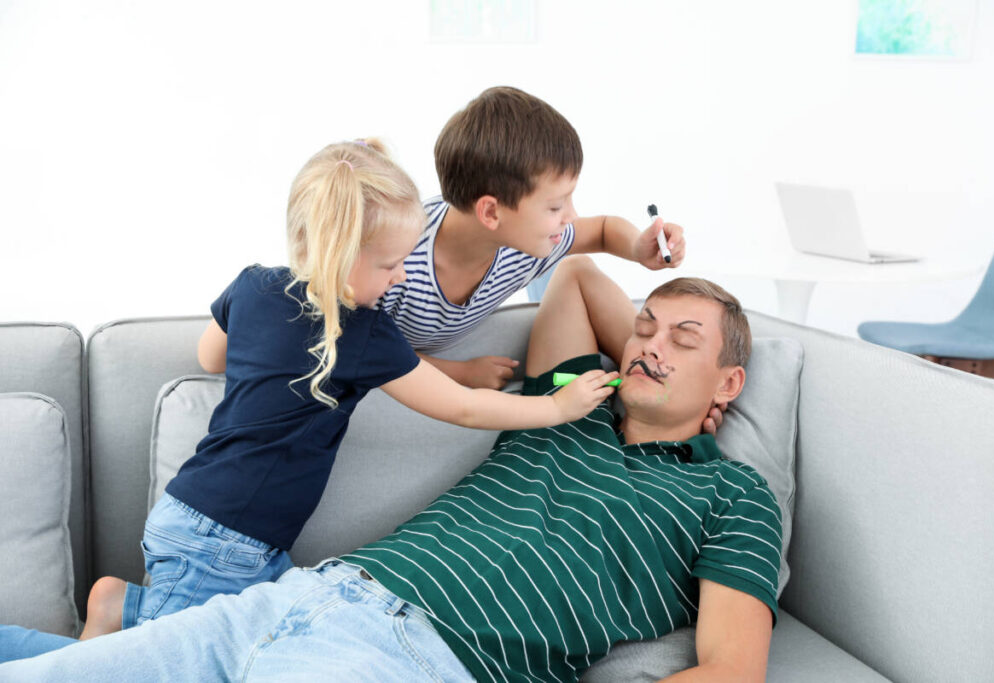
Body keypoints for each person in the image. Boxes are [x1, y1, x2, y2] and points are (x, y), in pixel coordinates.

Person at [0, 256, 782, 682]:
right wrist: (652, 354)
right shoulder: (564, 407)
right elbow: (575, 275)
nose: (649, 343)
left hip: (415, 654)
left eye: (685, 339)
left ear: (730, 384)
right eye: (644, 327)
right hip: (303, 594)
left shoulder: (730, 493)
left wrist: (683, 381)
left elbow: (732, 669)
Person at [17, 139, 617, 653]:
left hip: (215, 524)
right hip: (226, 544)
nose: (402, 277)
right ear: (340, 255)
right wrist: (555, 408)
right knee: (160, 663)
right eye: (389, 265)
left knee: (267, 645)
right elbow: (458, 408)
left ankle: (124, 606)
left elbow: (210, 357)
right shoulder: (360, 333)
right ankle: (110, 615)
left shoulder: (254, 286)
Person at [381, 86, 688, 390]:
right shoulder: (394, 262)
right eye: (556, 206)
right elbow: (359, 346)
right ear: (491, 213)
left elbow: (604, 229)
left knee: (574, 270)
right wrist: (459, 373)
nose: (571, 216)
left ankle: (681, 389)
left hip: (448, 335)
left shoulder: (521, 241)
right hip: (398, 354)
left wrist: (638, 248)